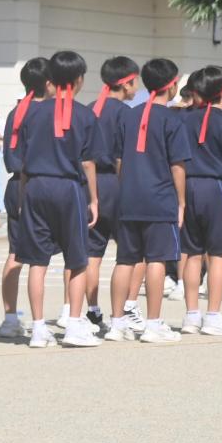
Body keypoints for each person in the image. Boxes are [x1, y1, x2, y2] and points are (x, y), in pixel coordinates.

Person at [14, 50, 99, 348]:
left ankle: (38, 329)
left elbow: (23, 160)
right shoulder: (86, 115)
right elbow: (88, 162)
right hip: (68, 187)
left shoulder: (31, 112)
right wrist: (94, 199)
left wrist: (25, 195)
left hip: (36, 185)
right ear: (78, 80)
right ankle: (74, 325)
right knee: (77, 260)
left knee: (37, 262)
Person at [112, 57, 191, 344]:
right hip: (160, 198)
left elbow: (119, 159)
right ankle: (154, 323)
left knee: (125, 260)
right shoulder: (173, 119)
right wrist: (181, 201)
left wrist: (127, 185)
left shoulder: (128, 115)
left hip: (130, 196)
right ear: (172, 85)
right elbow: (177, 166)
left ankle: (116, 322)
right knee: (156, 259)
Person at [177, 64, 222, 337]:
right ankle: (213, 315)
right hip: (217, 187)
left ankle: (191, 315)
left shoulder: (184, 119)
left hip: (188, 184)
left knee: (192, 253)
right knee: (218, 254)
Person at [82, 56, 140, 326]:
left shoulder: (91, 108)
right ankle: (128, 308)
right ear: (126, 83)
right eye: (135, 81)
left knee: (92, 253)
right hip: (117, 185)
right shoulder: (127, 114)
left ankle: (92, 309)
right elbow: (123, 157)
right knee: (131, 253)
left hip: (91, 185)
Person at [0, 57, 49, 339]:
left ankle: (9, 316)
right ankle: (66, 316)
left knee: (15, 253)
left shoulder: (17, 111)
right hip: (41, 183)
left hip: (16, 183)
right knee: (47, 257)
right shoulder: (51, 112)